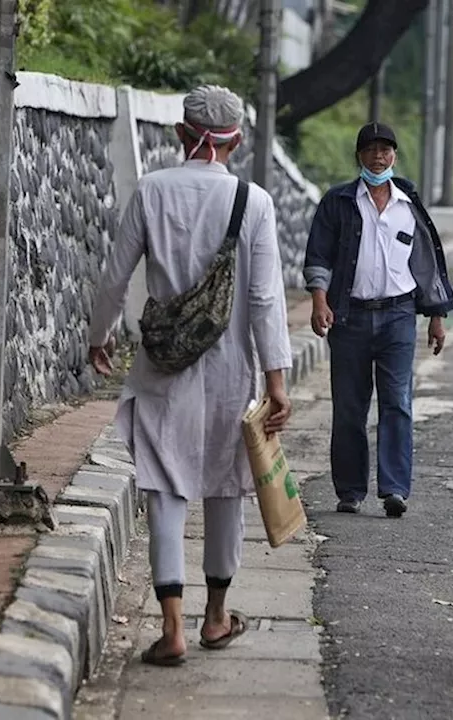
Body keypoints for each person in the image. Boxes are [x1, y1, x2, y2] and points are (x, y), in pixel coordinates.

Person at [87, 84, 295, 667]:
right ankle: (216, 617)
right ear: (236, 141)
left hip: (162, 368)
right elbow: (264, 300)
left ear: (181, 135)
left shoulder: (152, 191)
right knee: (228, 490)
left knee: (165, 489)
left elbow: (114, 276)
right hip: (230, 371)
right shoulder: (253, 202)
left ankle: (172, 627)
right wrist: (276, 380)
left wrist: (98, 336)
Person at [303, 122, 453, 518]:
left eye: (385, 150)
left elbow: (427, 263)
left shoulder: (409, 203)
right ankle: (351, 490)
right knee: (350, 408)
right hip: (349, 317)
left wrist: (436, 316)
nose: (378, 157)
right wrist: (320, 300)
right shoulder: (338, 202)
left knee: (397, 403)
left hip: (399, 317)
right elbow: (318, 256)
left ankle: (394, 489)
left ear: (394, 156)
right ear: (359, 156)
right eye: (370, 150)